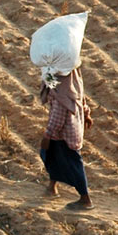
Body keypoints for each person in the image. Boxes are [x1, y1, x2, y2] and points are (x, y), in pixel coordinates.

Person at [39, 67, 93, 210]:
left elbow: (58, 115)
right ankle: (52, 187)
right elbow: (80, 98)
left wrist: (47, 135)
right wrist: (87, 114)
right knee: (53, 157)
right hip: (70, 130)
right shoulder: (72, 80)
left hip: (63, 134)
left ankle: (85, 198)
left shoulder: (59, 88)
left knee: (71, 163)